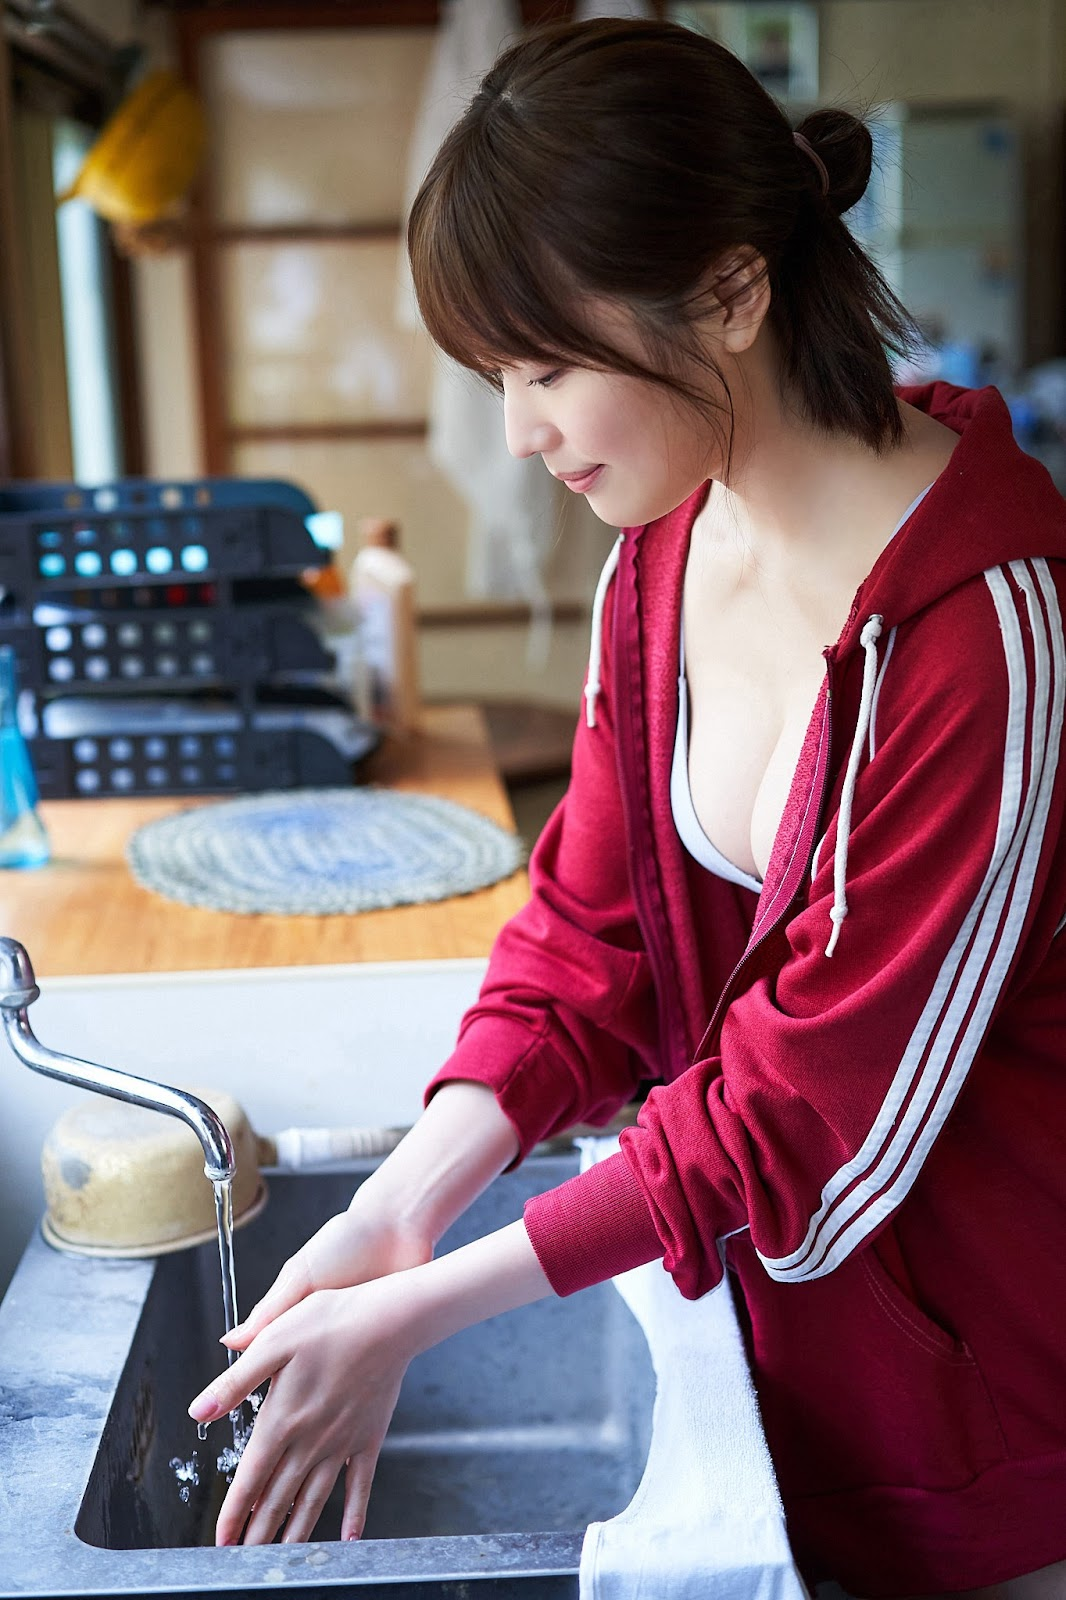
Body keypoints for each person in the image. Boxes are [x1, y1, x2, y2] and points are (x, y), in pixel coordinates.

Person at [188, 19, 1066, 1596]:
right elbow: (586, 942)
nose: (518, 433)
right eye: (495, 376)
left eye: (546, 368)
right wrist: (398, 1213)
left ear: (729, 294)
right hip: (778, 1354)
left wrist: (419, 1311)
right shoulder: (659, 557)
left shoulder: (984, 632)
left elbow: (813, 1122)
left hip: (986, 1397)